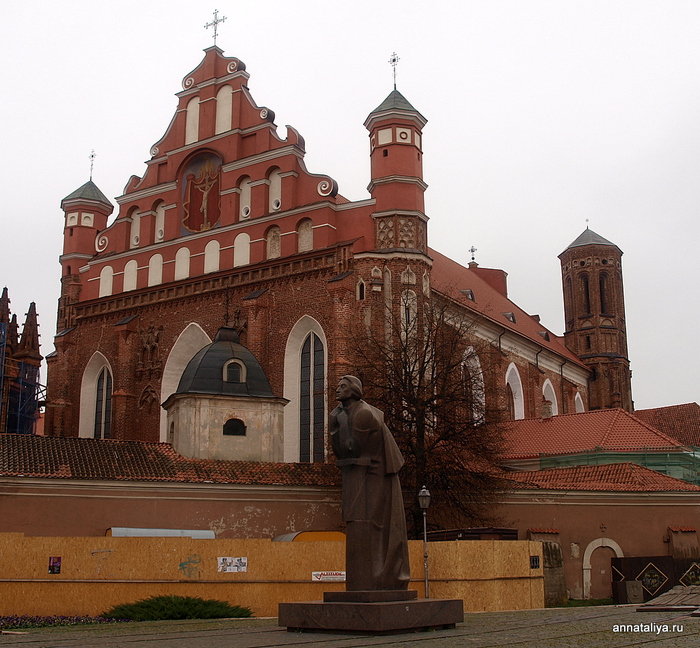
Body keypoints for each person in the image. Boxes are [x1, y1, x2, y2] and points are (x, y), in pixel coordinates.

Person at [330, 375, 410, 591]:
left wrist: (339, 423)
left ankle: (378, 577)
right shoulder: (338, 414)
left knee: (371, 522)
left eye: (343, 386)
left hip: (373, 474)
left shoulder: (364, 414)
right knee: (359, 522)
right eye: (337, 386)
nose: (337, 389)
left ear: (354, 390)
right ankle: (367, 579)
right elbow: (342, 449)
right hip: (358, 472)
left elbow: (353, 447)